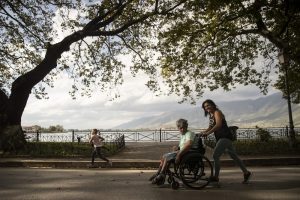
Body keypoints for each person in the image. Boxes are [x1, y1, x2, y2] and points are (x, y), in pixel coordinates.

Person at [200, 99, 251, 184]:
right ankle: (246, 172)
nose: (207, 107)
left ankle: (216, 177)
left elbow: (218, 125)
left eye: (208, 105)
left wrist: (208, 133)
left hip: (225, 137)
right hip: (222, 138)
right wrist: (204, 132)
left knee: (215, 155)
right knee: (234, 156)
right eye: (205, 107)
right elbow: (210, 126)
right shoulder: (211, 115)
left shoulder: (217, 112)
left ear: (212, 105)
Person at [149, 119, 199, 184]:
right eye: (180, 128)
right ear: (178, 128)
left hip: (187, 153)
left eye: (184, 128)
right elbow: (183, 145)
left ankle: (161, 175)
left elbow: (189, 145)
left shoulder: (189, 133)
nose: (182, 129)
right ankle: (158, 173)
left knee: (167, 158)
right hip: (182, 152)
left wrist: (179, 155)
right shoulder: (183, 135)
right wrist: (177, 148)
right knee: (164, 157)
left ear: (186, 127)